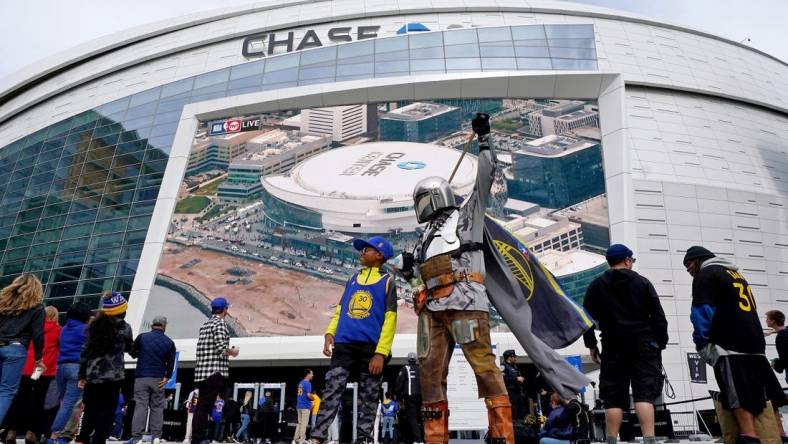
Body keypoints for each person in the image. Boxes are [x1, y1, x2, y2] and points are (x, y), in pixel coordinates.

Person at [402, 113, 513, 444]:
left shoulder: (467, 218)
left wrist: (484, 138)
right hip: (432, 312)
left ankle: (502, 434)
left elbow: (485, 175)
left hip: (464, 303)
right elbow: (417, 285)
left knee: (483, 365)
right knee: (429, 373)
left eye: (422, 200)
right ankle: (435, 437)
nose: (419, 207)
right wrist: (410, 275)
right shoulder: (424, 239)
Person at [685, 246, 788, 444]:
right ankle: (779, 436)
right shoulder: (736, 275)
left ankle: (749, 437)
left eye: (689, 264)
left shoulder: (705, 274)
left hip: (729, 345)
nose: (688, 269)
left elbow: (702, 311)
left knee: (738, 397)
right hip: (755, 346)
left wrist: (702, 343)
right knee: (767, 397)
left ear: (699, 260)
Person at [310, 236, 398, 444]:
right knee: (331, 390)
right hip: (344, 346)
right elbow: (341, 310)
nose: (361, 252)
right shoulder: (352, 279)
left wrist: (381, 352)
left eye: (366, 250)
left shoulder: (388, 282)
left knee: (369, 396)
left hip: (371, 349)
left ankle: (364, 439)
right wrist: (330, 333)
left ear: (379, 255)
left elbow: (390, 319)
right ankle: (317, 438)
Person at [582, 244, 667, 444]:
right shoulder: (642, 283)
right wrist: (659, 343)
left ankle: (612, 440)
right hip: (644, 346)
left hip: (613, 346)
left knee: (613, 396)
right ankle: (649, 440)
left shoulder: (596, 285)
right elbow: (659, 318)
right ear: (627, 260)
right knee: (643, 395)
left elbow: (585, 319)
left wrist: (592, 345)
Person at [76, 291, 134, 444]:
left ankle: (82, 439)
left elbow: (85, 352)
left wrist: (82, 375)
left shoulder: (94, 326)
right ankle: (98, 440)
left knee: (90, 410)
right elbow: (129, 347)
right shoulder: (124, 327)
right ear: (121, 311)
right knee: (107, 412)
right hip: (113, 377)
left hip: (92, 376)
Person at [6, 305, 60, 444]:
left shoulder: (32, 328)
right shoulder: (58, 331)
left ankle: (11, 431)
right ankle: (31, 433)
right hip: (43, 370)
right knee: (38, 402)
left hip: (26, 368)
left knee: (20, 400)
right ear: (55, 317)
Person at [191, 297, 239, 444]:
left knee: (201, 407)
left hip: (202, 372)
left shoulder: (206, 324)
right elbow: (220, 348)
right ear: (225, 309)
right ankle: (199, 439)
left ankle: (197, 437)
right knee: (205, 407)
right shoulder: (220, 324)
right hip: (214, 372)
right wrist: (233, 351)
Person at [0, 275, 45, 426]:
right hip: (16, 349)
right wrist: (39, 359)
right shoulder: (37, 308)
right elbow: (38, 334)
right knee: (6, 391)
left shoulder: (3, 303)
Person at [47, 302, 91, 444]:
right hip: (76, 368)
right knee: (69, 404)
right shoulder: (86, 329)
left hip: (61, 368)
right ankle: (55, 436)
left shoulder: (64, 329)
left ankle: (56, 434)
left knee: (62, 402)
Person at [129, 316, 177, 443]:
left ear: (152, 325)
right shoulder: (169, 342)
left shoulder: (142, 337)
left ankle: (137, 438)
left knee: (141, 406)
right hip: (158, 379)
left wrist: (141, 354)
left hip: (141, 377)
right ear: (164, 326)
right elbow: (172, 363)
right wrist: (167, 377)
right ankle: (156, 436)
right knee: (157, 407)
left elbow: (132, 352)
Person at [394, 352, 423, 444]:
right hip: (420, 396)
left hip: (409, 396)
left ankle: (418, 439)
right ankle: (419, 437)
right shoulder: (420, 369)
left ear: (408, 360)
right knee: (419, 417)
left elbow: (399, 384)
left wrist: (398, 398)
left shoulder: (405, 369)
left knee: (412, 417)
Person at [502, 350, 527, 422]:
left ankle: (520, 426)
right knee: (514, 410)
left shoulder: (514, 366)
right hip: (510, 392)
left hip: (517, 391)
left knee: (521, 410)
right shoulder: (504, 366)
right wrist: (516, 379)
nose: (515, 359)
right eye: (514, 357)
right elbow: (503, 379)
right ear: (509, 358)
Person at [766, 310, 788, 383]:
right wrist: (772, 332)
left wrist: (775, 364)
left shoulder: (780, 337)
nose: (766, 320)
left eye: (767, 318)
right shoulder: (785, 331)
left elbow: (785, 361)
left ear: (773, 321)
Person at [293, 370, 314, 444]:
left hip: (299, 405)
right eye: (311, 374)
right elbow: (308, 395)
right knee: (304, 424)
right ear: (308, 374)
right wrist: (313, 398)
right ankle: (302, 440)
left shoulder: (301, 383)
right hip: (305, 406)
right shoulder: (307, 383)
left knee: (299, 423)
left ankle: (295, 439)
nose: (312, 375)